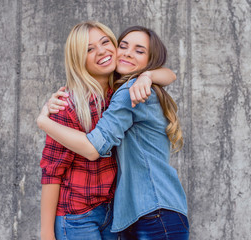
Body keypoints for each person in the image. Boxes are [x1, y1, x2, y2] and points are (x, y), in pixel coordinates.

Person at [38, 22, 177, 240]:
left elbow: (170, 74)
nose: (101, 51)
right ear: (78, 59)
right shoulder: (68, 104)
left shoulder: (125, 93)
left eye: (105, 42)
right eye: (89, 49)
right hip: (77, 216)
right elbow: (51, 172)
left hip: (112, 215)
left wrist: (147, 76)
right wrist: (46, 233)